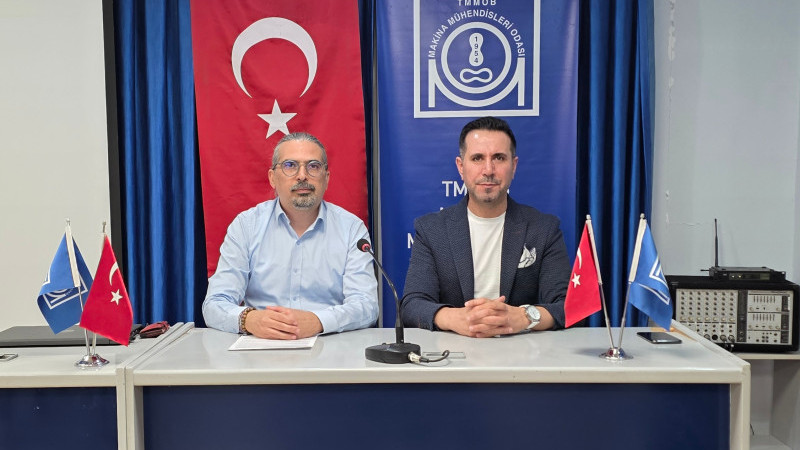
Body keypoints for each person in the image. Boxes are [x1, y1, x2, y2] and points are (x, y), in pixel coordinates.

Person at [401, 117, 570, 337]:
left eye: (499, 158)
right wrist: (455, 318)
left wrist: (524, 317)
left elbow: (567, 306)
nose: (488, 170)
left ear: (514, 166)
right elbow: (412, 305)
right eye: (477, 158)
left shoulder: (544, 229)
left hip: (523, 352)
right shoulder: (431, 230)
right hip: (453, 351)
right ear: (461, 167)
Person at [202, 132, 379, 339]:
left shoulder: (351, 228)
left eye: (313, 166)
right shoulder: (246, 226)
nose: (302, 175)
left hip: (329, 343)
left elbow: (366, 305)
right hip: (260, 345)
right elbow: (214, 304)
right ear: (272, 178)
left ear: (326, 178)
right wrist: (249, 319)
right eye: (290, 165)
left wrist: (318, 321)